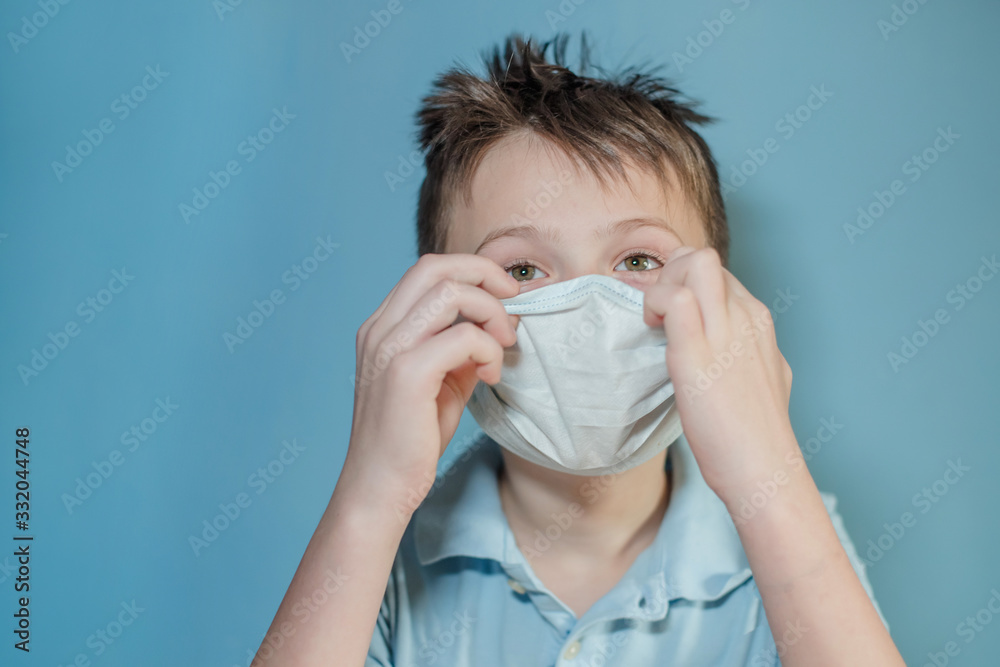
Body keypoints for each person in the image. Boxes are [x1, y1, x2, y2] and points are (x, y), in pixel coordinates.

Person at [253, 33, 905, 666]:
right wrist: (370, 496)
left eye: (638, 258)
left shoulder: (788, 535)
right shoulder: (382, 559)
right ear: (441, 315)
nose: (588, 309)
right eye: (525, 270)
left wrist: (769, 479)